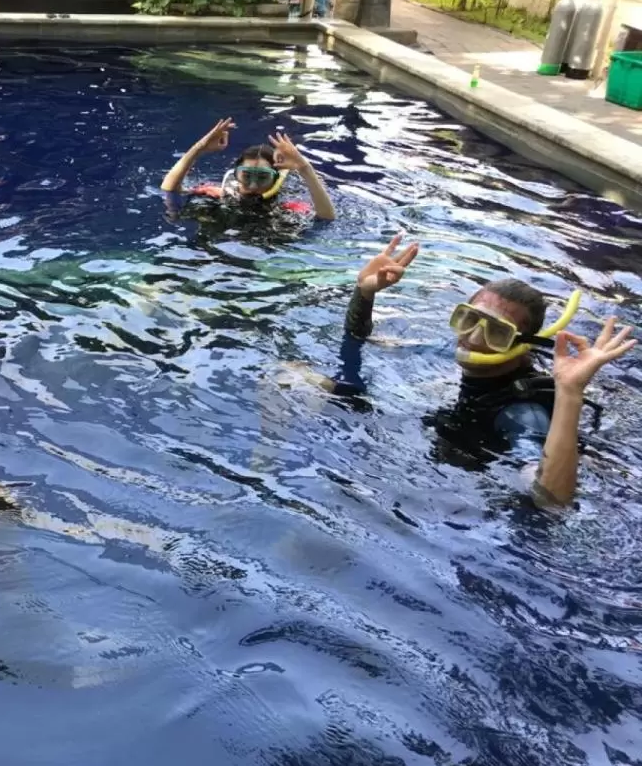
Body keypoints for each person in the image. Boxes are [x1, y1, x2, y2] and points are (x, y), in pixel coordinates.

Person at [328, 233, 637, 507]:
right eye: (468, 319)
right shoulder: (455, 353)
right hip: (455, 449)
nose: (474, 338)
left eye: (496, 332)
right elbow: (362, 340)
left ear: (522, 345)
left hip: (468, 494)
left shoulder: (521, 414)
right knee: (301, 375)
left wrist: (570, 394)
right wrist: (365, 292)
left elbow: (549, 500)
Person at [161, 118, 335, 222]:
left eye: (262, 178)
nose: (252, 185)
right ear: (236, 174)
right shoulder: (217, 194)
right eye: (246, 175)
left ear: (275, 179)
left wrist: (304, 168)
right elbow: (170, 190)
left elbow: (326, 217)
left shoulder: (287, 208)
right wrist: (198, 148)